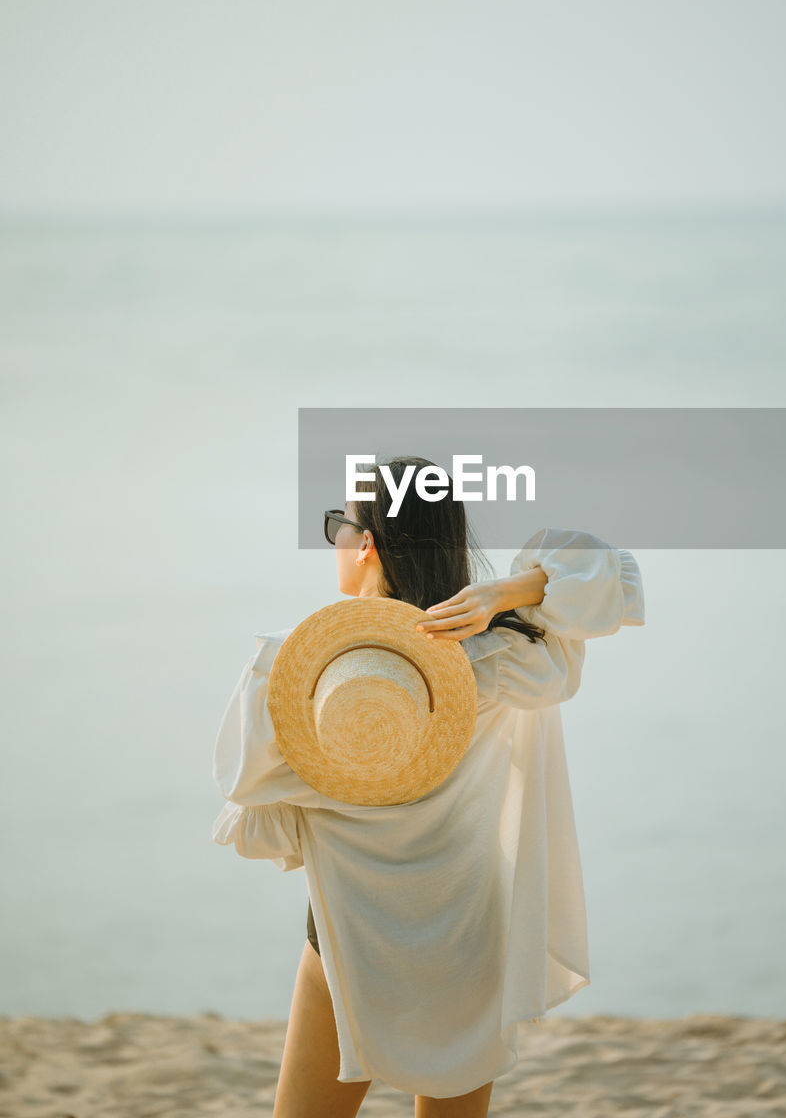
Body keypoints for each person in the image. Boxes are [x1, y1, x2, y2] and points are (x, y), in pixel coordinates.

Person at [212, 456, 645, 1117]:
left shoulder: (296, 677)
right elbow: (606, 571)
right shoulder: (508, 659)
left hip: (346, 935)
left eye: (341, 527)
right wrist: (501, 596)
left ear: (369, 544)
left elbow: (245, 787)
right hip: (469, 930)